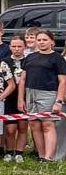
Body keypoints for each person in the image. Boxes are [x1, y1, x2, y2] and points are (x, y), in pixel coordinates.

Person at [18, 29, 66, 162]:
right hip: (30, 93)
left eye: (44, 40)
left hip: (48, 94)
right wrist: (21, 99)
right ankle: (41, 155)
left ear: (52, 42)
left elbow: (63, 81)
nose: (41, 42)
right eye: (39, 40)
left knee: (47, 125)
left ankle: (49, 157)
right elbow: (22, 80)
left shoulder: (57, 58)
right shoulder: (30, 57)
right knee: (34, 125)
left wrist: (59, 101)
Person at [3, 35, 30, 160]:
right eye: (14, 46)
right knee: (10, 129)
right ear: (10, 47)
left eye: (19, 46)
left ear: (24, 47)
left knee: (23, 127)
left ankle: (19, 153)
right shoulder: (4, 61)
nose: (17, 49)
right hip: (9, 97)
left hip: (25, 96)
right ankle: (9, 151)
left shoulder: (29, 60)